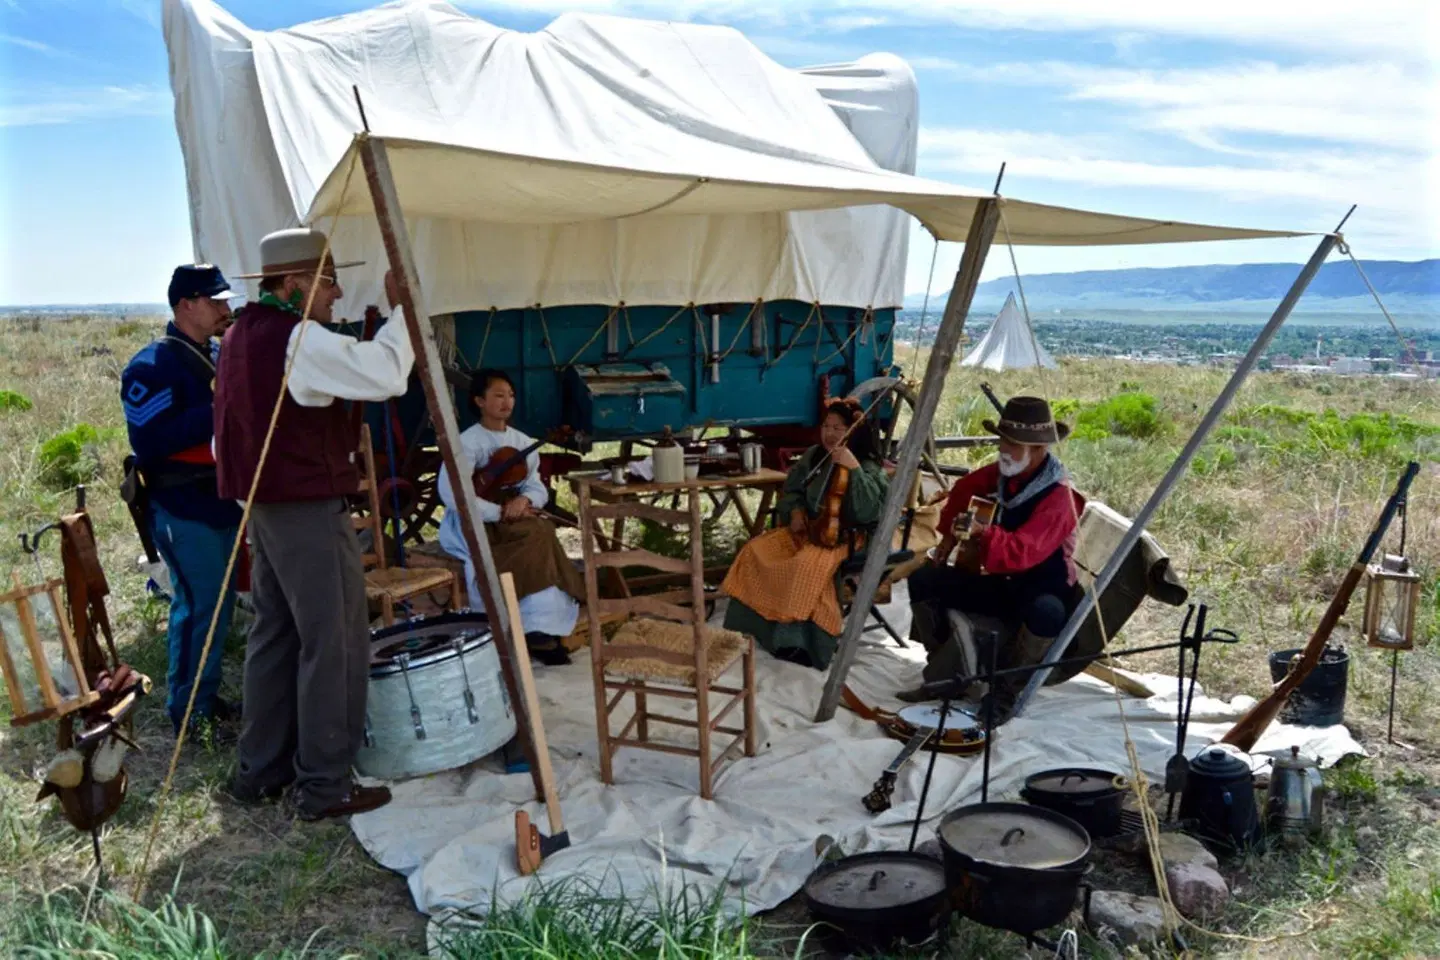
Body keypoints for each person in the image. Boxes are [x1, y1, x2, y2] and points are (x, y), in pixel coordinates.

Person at [215, 227, 413, 821]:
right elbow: (385, 376)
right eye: (328, 282)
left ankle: (262, 768)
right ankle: (325, 784)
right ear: (296, 284)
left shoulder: (239, 336)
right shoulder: (297, 337)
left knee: (275, 634)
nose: (336, 293)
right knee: (335, 640)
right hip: (302, 506)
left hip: (265, 507)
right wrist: (401, 311)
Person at [896, 395, 1085, 715]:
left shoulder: (1061, 497)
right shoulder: (1001, 473)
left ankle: (1005, 692)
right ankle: (945, 673)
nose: (1004, 450)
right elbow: (963, 490)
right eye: (1004, 441)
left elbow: (1024, 551)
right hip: (1002, 584)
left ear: (1039, 449)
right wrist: (946, 542)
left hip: (1039, 588)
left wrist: (984, 534)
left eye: (1014, 444)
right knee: (924, 579)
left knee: (1048, 612)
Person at [120, 264, 244, 739]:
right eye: (216, 302)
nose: (225, 310)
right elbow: (151, 440)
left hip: (220, 500)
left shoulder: (216, 355)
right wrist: (219, 406)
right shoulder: (150, 367)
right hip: (183, 506)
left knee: (218, 606)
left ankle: (204, 697)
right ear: (186, 304)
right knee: (198, 609)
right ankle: (190, 713)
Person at [720, 398, 889, 669]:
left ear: (853, 431)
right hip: (810, 530)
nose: (830, 433)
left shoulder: (868, 468)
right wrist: (796, 511)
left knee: (803, 568)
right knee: (755, 550)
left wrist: (853, 468)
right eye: (826, 426)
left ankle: (798, 643)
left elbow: (868, 512)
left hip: (845, 539)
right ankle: (756, 629)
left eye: (838, 428)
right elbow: (793, 490)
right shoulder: (814, 456)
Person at [436, 369, 584, 666]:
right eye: (498, 395)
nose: (507, 402)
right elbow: (453, 494)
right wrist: (497, 511)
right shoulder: (467, 442)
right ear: (479, 400)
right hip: (477, 519)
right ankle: (530, 631)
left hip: (514, 516)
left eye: (511, 395)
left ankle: (540, 627)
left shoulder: (521, 440)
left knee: (541, 530)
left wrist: (524, 500)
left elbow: (535, 485)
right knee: (535, 536)